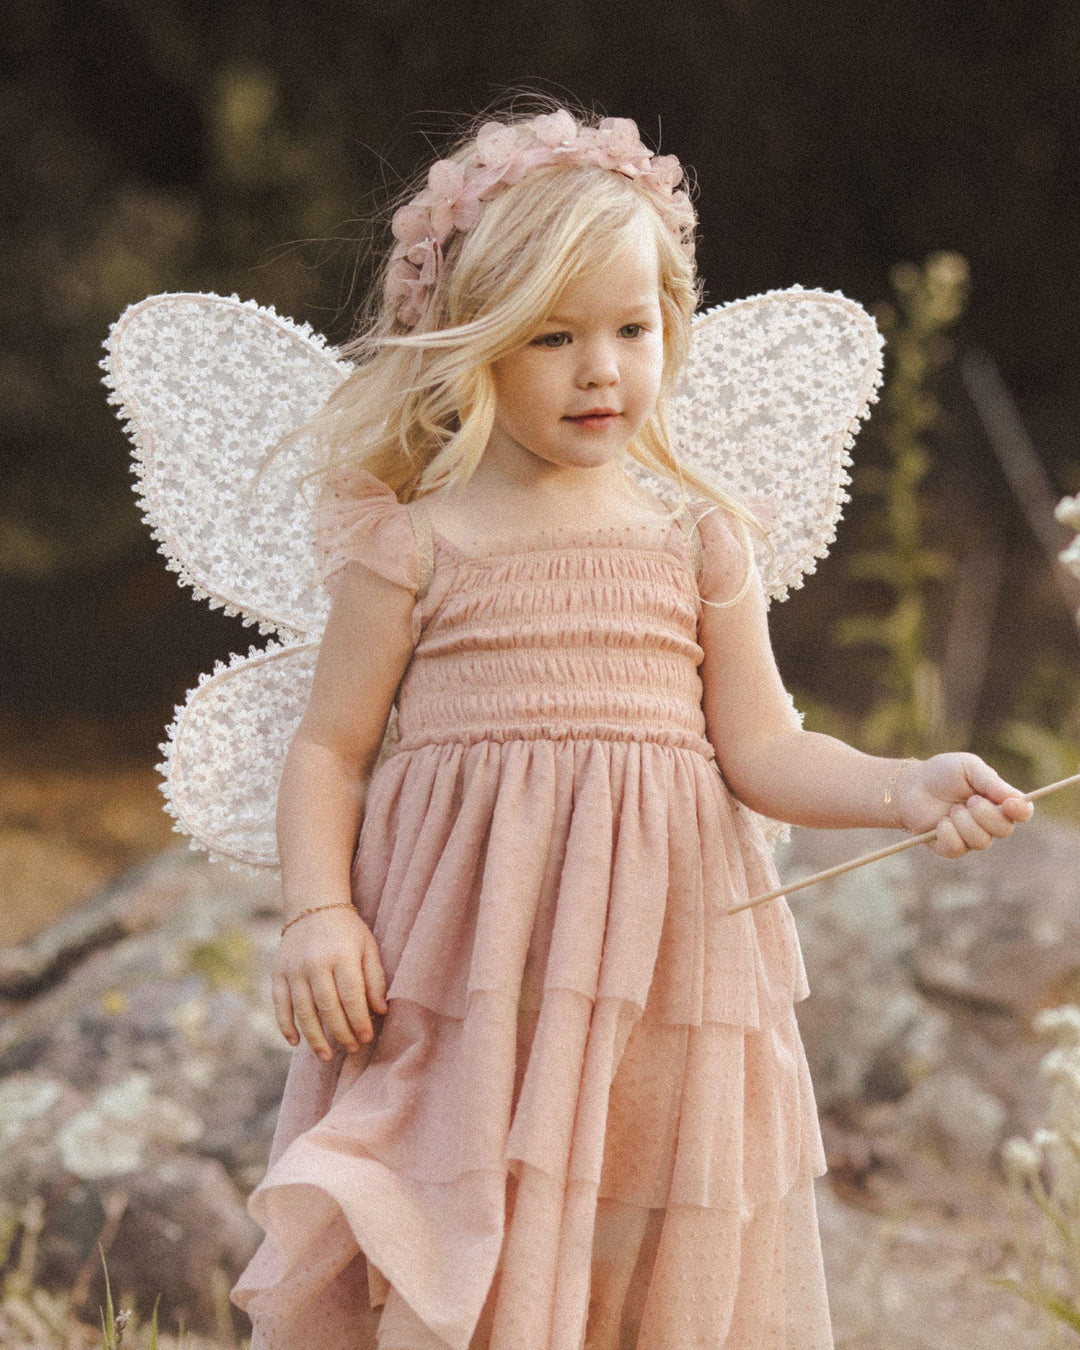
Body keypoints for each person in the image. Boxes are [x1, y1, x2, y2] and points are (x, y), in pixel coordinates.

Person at [227, 100, 1034, 1350]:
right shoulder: (415, 547)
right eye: (552, 336)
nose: (600, 368)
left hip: (658, 980)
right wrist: (318, 912)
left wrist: (905, 786)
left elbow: (765, 748)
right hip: (462, 981)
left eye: (631, 329)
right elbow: (330, 748)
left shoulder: (696, 544)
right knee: (450, 1236)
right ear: (473, 342)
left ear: (672, 329)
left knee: (627, 1258)